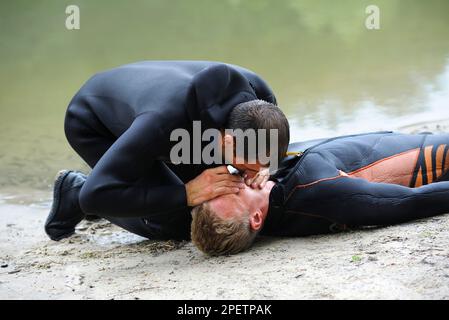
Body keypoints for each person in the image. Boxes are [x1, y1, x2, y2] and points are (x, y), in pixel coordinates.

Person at [45, 60, 290, 241]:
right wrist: (186, 193)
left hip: (173, 119)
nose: (249, 176)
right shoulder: (162, 126)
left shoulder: (260, 98)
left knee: (208, 199)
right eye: (248, 169)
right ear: (229, 141)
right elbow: (94, 196)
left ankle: (128, 200)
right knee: (176, 221)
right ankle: (72, 191)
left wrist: (267, 167)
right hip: (94, 122)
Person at [191, 131, 449, 255]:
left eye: (217, 189)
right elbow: (410, 202)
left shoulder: (272, 187)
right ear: (256, 218)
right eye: (234, 193)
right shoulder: (315, 193)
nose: (232, 180)